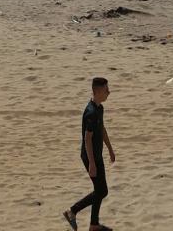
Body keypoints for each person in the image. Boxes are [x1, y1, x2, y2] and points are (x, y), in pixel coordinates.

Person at [63, 77, 115, 231]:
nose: (109, 92)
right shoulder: (91, 112)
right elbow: (87, 139)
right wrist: (91, 163)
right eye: (106, 90)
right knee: (101, 191)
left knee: (100, 190)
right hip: (89, 156)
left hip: (97, 155)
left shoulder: (99, 108)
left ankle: (93, 224)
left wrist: (110, 149)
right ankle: (72, 211)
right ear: (98, 91)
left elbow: (102, 129)